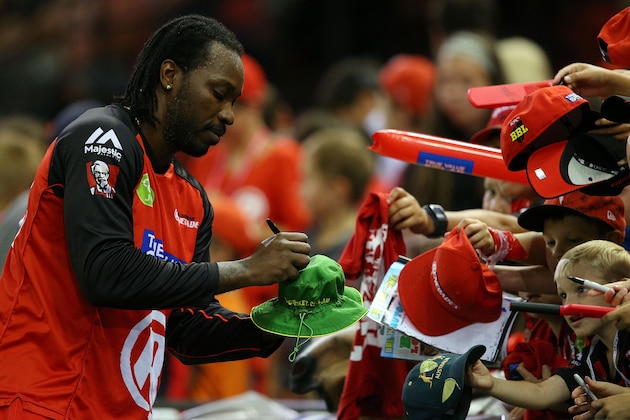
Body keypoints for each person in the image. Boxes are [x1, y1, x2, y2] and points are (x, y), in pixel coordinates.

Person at [0, 14, 311, 418]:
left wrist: (282, 323)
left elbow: (184, 328)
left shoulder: (193, 198)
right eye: (219, 93)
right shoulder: (102, 138)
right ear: (170, 75)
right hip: (43, 402)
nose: (229, 115)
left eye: (234, 102)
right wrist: (247, 269)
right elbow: (104, 271)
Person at [465, 240, 630, 416]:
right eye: (563, 295)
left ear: (620, 287)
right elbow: (542, 393)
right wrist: (489, 382)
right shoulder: (592, 355)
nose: (569, 304)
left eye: (581, 289)